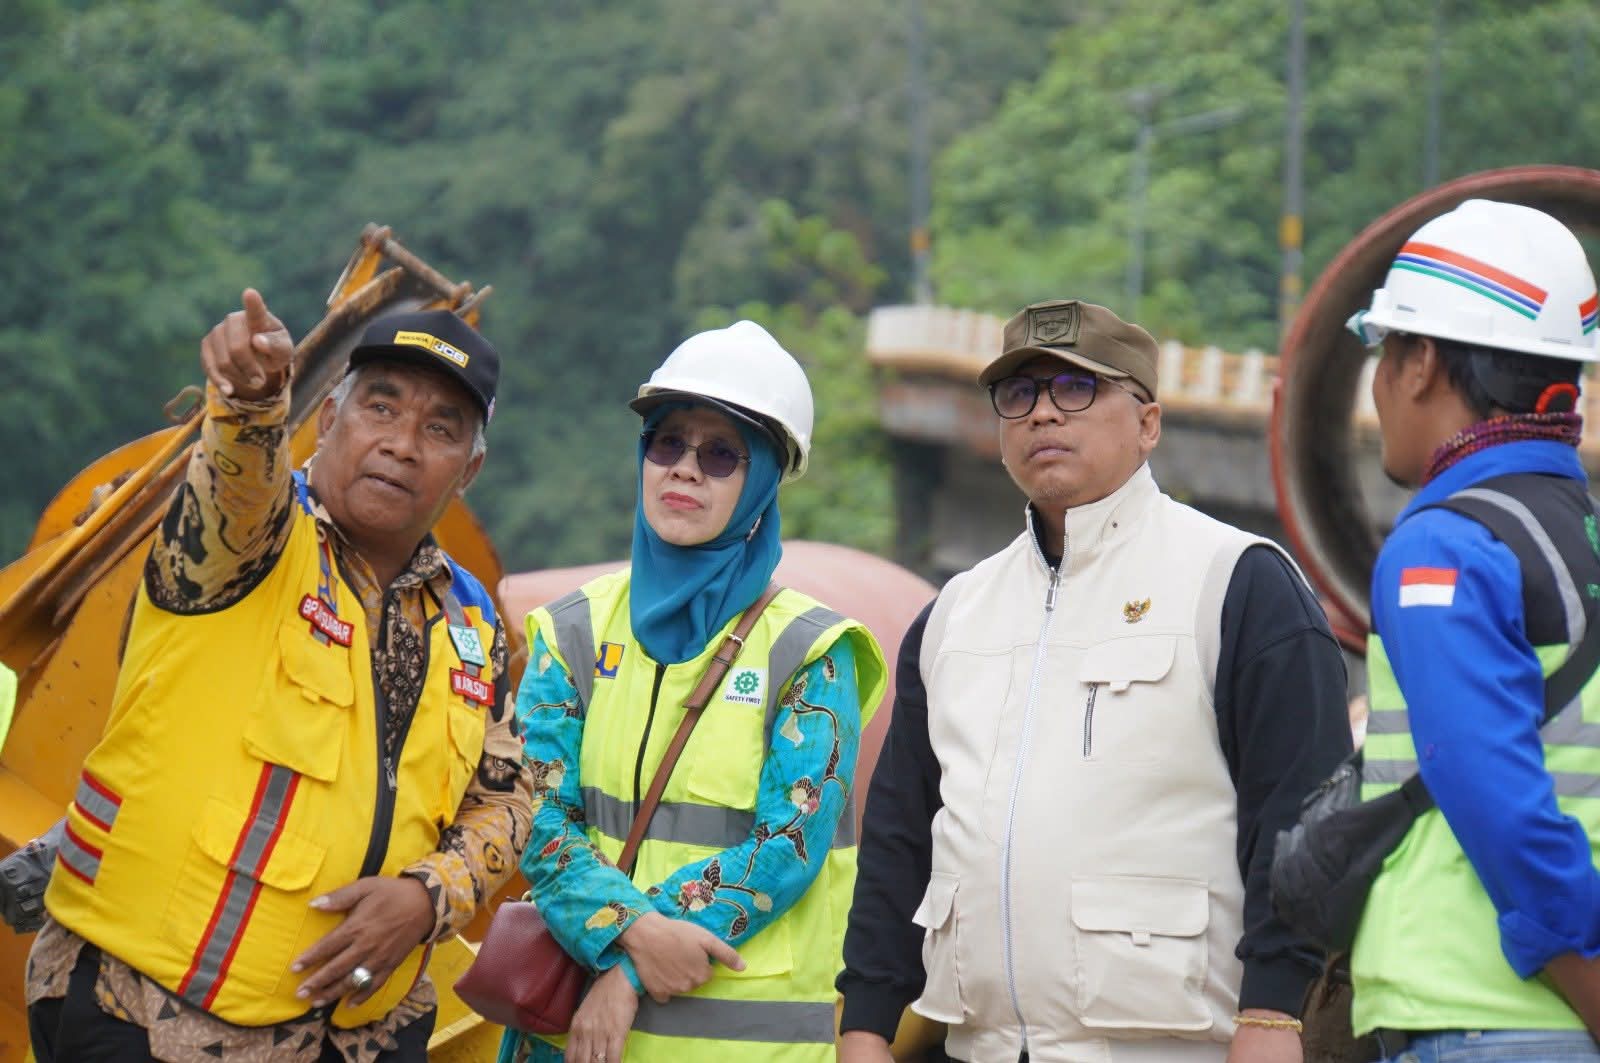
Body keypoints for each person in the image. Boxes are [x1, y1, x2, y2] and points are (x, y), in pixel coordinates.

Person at [837, 299, 1352, 1063]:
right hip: (979, 1048)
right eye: (1020, 394)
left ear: (1148, 423)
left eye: (1076, 388)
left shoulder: (1236, 582)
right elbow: (900, 838)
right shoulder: (954, 614)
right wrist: (867, 1023)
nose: (1044, 412)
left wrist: (1275, 1015)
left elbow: (1302, 819)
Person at [25, 291, 532, 1062]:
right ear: (327, 421)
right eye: (381, 408)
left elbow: (506, 798)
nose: (401, 443)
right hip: (145, 1020)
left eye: (440, 429)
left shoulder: (474, 624)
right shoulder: (248, 542)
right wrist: (251, 401)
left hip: (361, 1040)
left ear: (471, 468)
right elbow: (238, 479)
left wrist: (427, 897)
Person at [497, 320, 887, 1063]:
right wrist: (634, 935)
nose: (684, 469)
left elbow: (790, 843)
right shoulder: (571, 633)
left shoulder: (811, 651)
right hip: (568, 1041)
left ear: (764, 479)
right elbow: (536, 813)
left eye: (719, 455)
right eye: (667, 443)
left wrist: (628, 967)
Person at [1343, 199, 1600, 1061]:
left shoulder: (1445, 546)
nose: (1377, 385)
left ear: (1418, 363)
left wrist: (1587, 977)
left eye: (1382, 351)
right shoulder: (1586, 533)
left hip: (1486, 1010)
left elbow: (1492, 789)